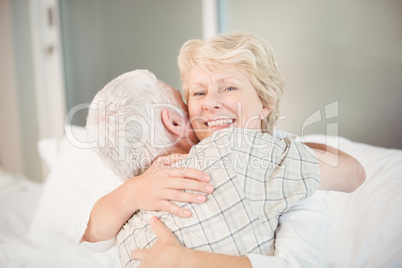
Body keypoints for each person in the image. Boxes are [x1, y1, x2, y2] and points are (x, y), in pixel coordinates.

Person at [129, 31, 365, 267]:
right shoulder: (173, 161)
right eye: (199, 93)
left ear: (265, 102)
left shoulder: (295, 168)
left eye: (229, 88)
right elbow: (97, 239)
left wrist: (186, 261)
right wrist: (131, 191)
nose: (210, 103)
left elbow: (301, 264)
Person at [86, 69, 321, 268]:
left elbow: (89, 237)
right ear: (174, 123)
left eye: (229, 89)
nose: (208, 106)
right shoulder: (234, 154)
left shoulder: (125, 230)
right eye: (192, 97)